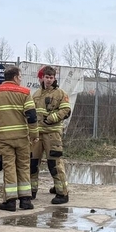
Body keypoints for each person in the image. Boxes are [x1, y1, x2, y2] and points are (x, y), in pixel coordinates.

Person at [0, 66, 38, 211]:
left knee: (9, 167)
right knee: (24, 167)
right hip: (22, 137)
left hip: (4, 139)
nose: (21, 79)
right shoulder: (25, 93)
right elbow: (32, 116)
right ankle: (26, 201)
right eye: (20, 77)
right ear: (15, 77)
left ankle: (10, 201)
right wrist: (34, 136)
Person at [30, 66, 72, 204]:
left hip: (52, 134)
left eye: (51, 77)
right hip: (37, 134)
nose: (48, 80)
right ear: (42, 78)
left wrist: (52, 118)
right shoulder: (35, 94)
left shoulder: (60, 93)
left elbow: (66, 110)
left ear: (54, 78)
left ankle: (62, 193)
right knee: (32, 163)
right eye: (46, 77)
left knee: (54, 164)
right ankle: (31, 191)